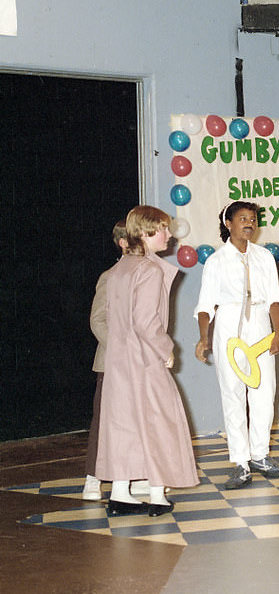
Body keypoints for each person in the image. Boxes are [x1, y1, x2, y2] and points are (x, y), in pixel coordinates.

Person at [95, 205, 198, 516]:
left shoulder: (121, 269)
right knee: (159, 422)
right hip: (143, 359)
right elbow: (145, 322)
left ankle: (121, 493)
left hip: (119, 360)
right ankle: (157, 495)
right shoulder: (149, 270)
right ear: (143, 233)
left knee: (124, 424)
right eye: (162, 229)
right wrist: (165, 349)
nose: (168, 234)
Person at [195, 201, 279, 490]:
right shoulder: (215, 261)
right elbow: (205, 306)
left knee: (264, 390)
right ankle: (240, 462)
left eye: (253, 219)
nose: (249, 223)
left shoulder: (264, 257)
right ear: (228, 224)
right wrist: (204, 337)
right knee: (233, 392)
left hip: (260, 323)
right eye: (243, 218)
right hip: (228, 325)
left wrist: (276, 333)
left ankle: (260, 455)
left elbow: (274, 298)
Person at [82, 219, 129, 501]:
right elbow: (98, 320)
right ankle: (92, 479)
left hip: (139, 364)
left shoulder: (147, 275)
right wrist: (121, 348)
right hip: (111, 363)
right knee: (104, 422)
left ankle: (136, 478)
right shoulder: (109, 277)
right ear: (123, 243)